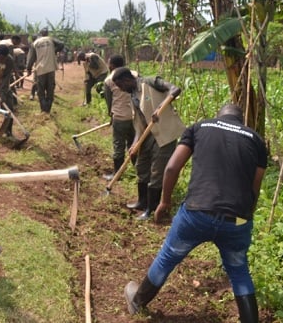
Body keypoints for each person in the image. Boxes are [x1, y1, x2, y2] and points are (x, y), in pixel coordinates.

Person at [125, 104, 267, 323]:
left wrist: (164, 201)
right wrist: (245, 218)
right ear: (241, 121)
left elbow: (172, 167)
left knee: (168, 257)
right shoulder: (256, 140)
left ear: (219, 116)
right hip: (236, 220)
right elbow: (254, 189)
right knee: (239, 271)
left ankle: (137, 301)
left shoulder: (200, 127)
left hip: (197, 213)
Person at [110, 66, 184, 220]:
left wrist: (161, 107)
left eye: (121, 86)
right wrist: (135, 144)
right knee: (141, 167)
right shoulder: (132, 94)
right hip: (148, 134)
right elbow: (139, 123)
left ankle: (152, 209)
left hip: (164, 134)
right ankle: (142, 202)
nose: (121, 90)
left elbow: (175, 89)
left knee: (157, 172)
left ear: (127, 80)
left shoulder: (149, 82)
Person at [102, 55, 135, 181]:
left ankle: (117, 174)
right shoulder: (135, 75)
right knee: (134, 144)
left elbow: (109, 102)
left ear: (113, 65)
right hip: (135, 116)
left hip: (120, 117)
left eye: (109, 63)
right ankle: (139, 171)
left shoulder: (109, 80)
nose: (108, 66)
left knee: (118, 145)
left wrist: (111, 115)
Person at [26, 27, 64, 113]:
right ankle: (48, 109)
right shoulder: (50, 39)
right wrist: (54, 51)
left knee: (41, 90)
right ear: (47, 33)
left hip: (40, 70)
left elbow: (31, 58)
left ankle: (43, 110)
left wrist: (28, 69)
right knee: (50, 89)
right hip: (51, 69)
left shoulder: (35, 43)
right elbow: (61, 44)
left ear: (40, 34)